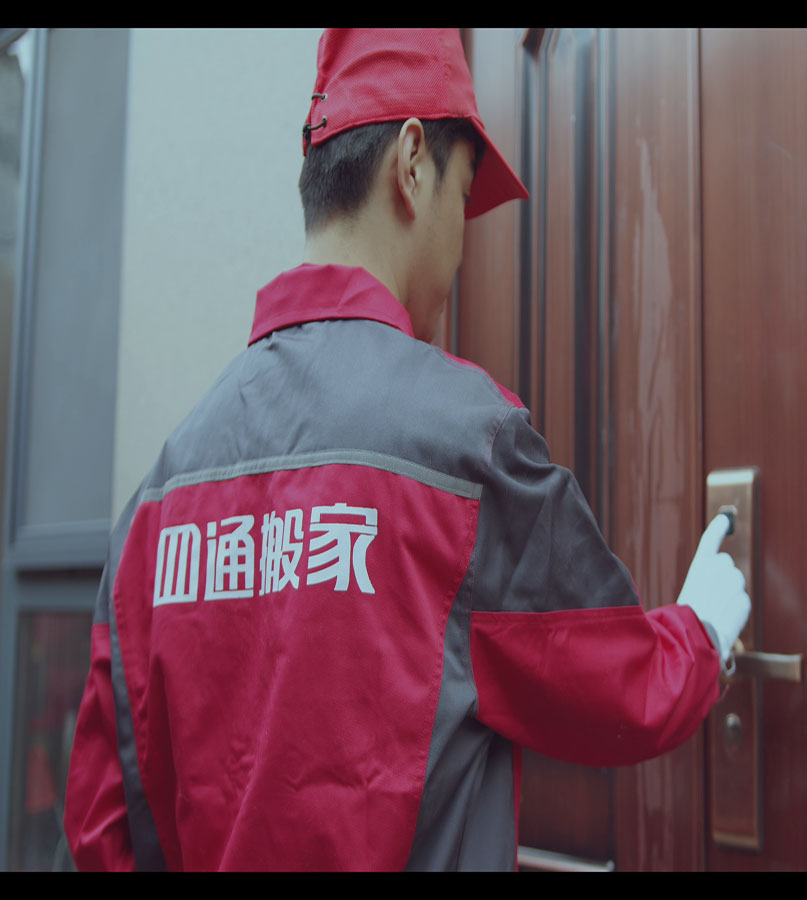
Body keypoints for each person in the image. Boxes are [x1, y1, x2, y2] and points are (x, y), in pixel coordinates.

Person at [62, 28, 750, 871]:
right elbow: (621, 689)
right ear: (413, 163)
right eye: (463, 197)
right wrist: (702, 632)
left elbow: (100, 827)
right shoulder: (467, 445)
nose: (460, 244)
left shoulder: (160, 495)